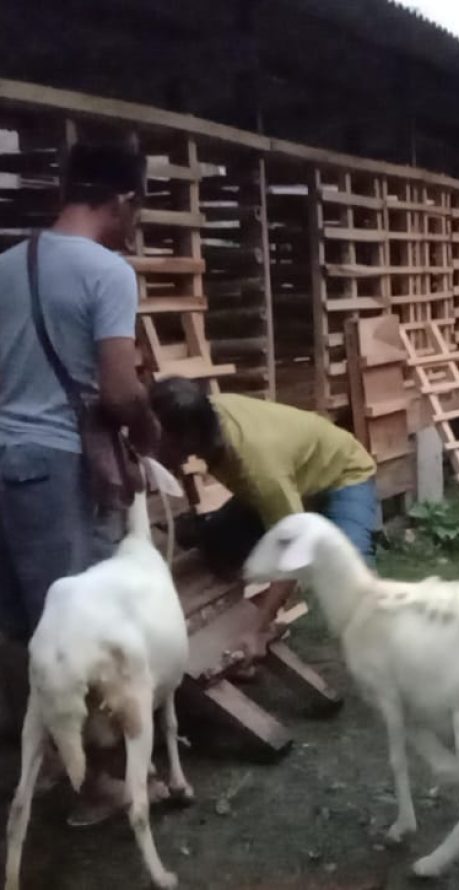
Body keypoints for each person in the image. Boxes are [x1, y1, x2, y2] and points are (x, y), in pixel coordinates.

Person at [0, 142, 157, 819]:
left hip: (5, 457)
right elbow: (118, 391)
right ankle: (89, 783)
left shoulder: (6, 264)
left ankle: (32, 755)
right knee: (76, 626)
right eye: (137, 209)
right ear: (122, 200)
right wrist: (147, 425)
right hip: (59, 467)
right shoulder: (108, 272)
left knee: (19, 624)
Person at [149, 377, 379, 658]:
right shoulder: (208, 418)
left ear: (189, 435)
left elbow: (294, 556)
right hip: (293, 479)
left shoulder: (258, 467)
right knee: (216, 546)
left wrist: (256, 630)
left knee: (353, 580)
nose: (155, 445)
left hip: (341, 474)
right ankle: (251, 609)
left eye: (162, 439)